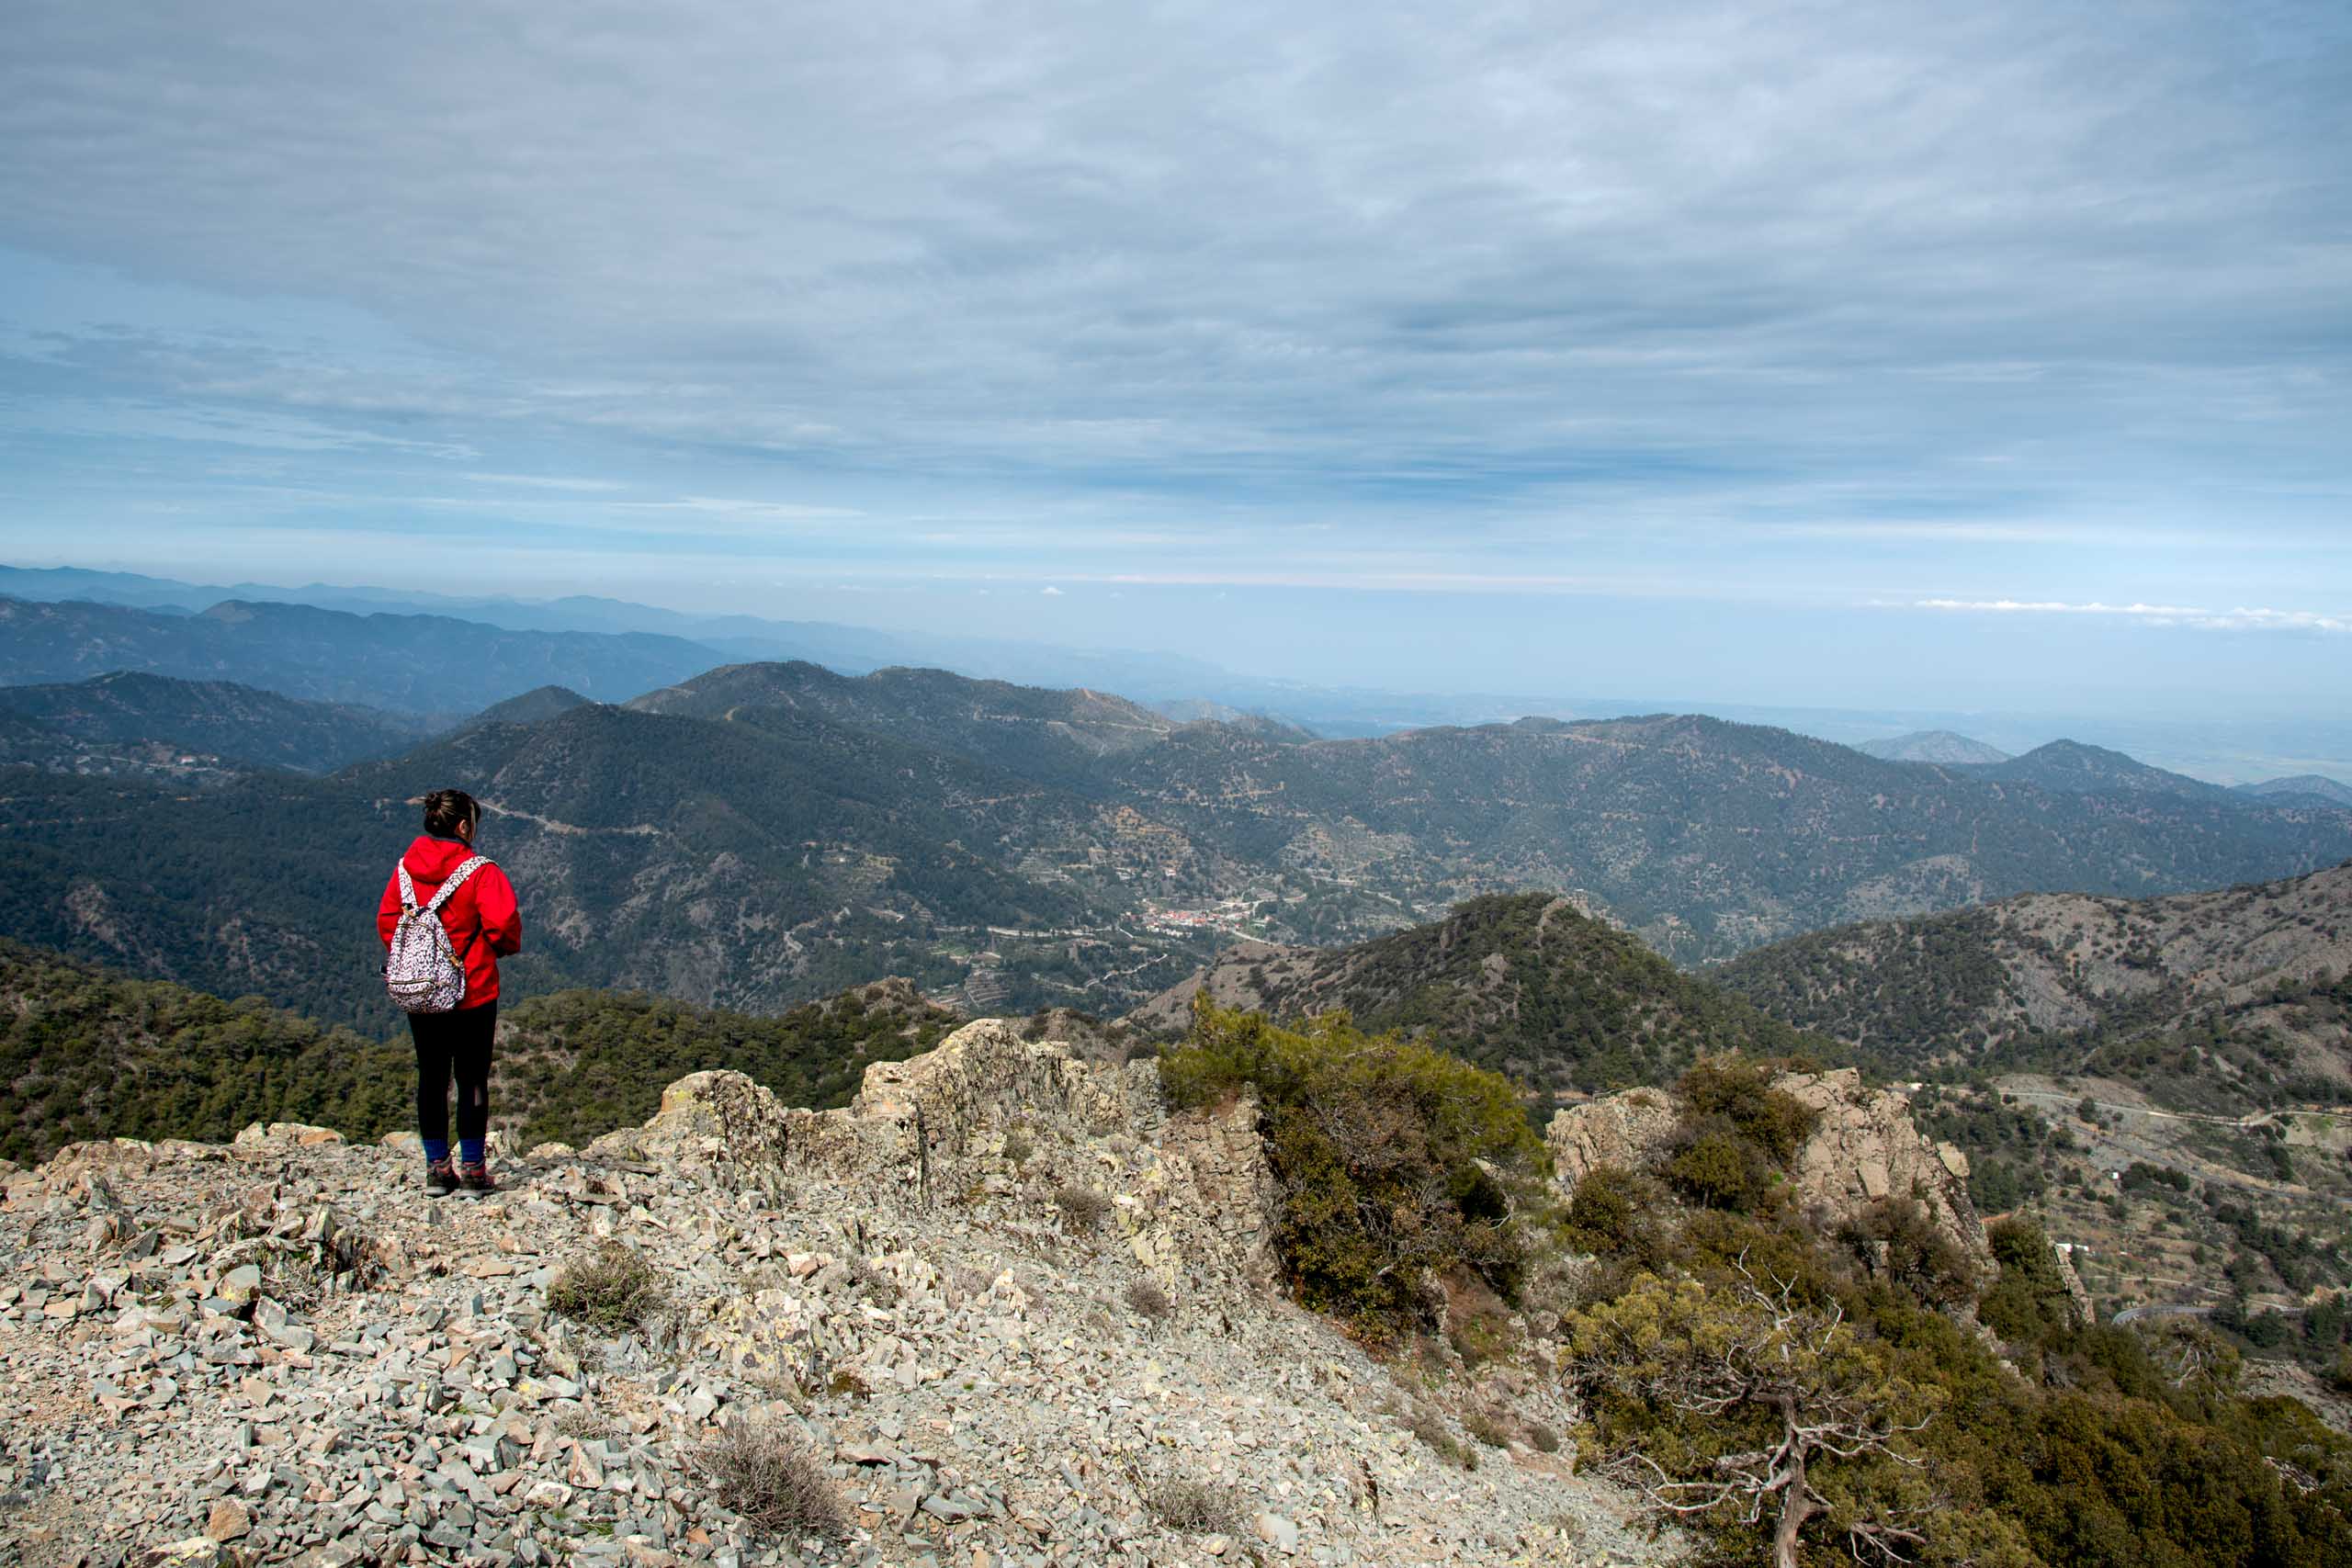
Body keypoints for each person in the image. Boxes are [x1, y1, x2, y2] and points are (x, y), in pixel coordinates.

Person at [377, 788, 523, 1194]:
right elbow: (504, 924)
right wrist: (490, 950)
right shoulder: (480, 871)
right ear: (463, 826)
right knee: (472, 1079)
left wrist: (420, 962)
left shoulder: (405, 869)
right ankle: (474, 1171)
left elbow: (388, 921)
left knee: (432, 1076)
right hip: (472, 991)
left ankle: (437, 1169)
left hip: (421, 992)